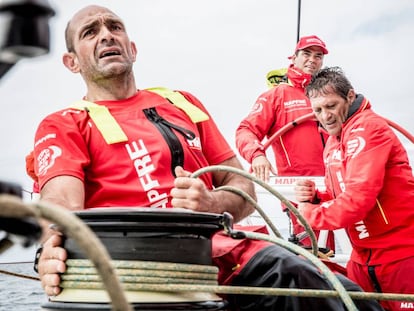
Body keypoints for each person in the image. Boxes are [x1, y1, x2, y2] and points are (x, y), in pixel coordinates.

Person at [29, 6, 384, 311]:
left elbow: (242, 186)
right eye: (90, 32)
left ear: (132, 49)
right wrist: (49, 249)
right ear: (71, 61)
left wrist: (211, 201)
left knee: (348, 293)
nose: (106, 35)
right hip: (151, 269)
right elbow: (60, 205)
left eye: (114, 27)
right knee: (296, 277)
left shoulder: (183, 103)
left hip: (229, 250)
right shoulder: (64, 124)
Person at [294, 66, 414, 311]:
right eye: (317, 110)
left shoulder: (369, 128)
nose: (325, 116)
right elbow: (340, 194)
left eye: (330, 106)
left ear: (349, 97)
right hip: (362, 261)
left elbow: (357, 201)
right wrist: (316, 197)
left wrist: (308, 213)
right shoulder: (332, 141)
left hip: (400, 257)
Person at [235, 35, 334, 249]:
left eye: (318, 56)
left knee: (344, 251)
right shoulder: (277, 95)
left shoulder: (329, 94)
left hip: (337, 186)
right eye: (306, 54)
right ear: (294, 57)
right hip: (300, 191)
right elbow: (245, 131)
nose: (312, 59)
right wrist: (257, 155)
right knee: (312, 252)